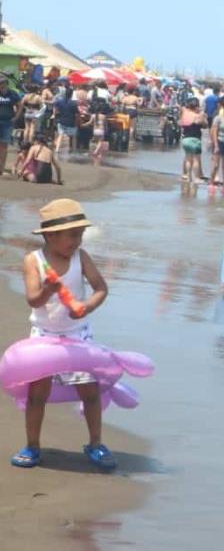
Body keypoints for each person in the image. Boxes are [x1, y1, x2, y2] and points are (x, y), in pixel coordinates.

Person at [11, 199, 114, 470]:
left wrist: (86, 307)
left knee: (89, 392)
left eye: (80, 235)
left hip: (77, 334)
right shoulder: (34, 260)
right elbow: (33, 299)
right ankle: (32, 446)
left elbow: (101, 288)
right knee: (37, 394)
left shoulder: (82, 258)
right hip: (44, 335)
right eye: (72, 235)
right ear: (50, 235)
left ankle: (95, 442)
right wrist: (49, 289)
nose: (77, 241)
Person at [0, 76, 24, 175]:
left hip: (7, 123)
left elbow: (20, 105)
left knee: (4, 146)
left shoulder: (13, 94)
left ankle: (1, 168)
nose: (1, 85)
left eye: (2, 84)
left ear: (6, 84)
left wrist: (16, 117)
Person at [179, 97, 207, 183]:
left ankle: (187, 176)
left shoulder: (185, 114)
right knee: (195, 159)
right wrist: (203, 116)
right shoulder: (197, 116)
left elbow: (181, 121)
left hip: (185, 139)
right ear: (196, 106)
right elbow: (205, 125)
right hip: (194, 139)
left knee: (188, 158)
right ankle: (196, 178)